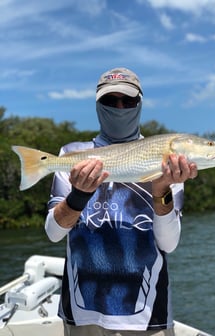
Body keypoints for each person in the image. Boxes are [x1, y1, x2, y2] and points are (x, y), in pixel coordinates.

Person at [45, 67, 198, 336]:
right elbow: (53, 233)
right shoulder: (72, 154)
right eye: (110, 101)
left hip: (148, 315)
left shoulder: (168, 160)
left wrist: (161, 188)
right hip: (81, 314)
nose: (119, 107)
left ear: (139, 103)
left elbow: (169, 244)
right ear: (97, 104)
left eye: (128, 101)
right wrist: (79, 195)